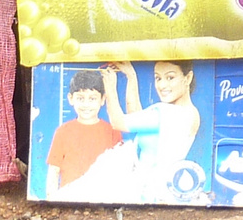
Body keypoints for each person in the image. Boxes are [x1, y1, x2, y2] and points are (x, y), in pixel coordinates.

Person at [101, 60, 202, 201]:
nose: (162, 85)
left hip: (150, 193)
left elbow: (118, 122)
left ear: (188, 78)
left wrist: (109, 87)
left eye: (170, 77)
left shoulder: (169, 113)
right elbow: (136, 116)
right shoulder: (191, 113)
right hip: (159, 192)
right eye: (158, 78)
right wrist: (131, 76)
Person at [45, 69, 122, 197]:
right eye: (80, 98)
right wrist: (51, 200)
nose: (86, 104)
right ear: (70, 99)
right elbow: (54, 170)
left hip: (102, 197)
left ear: (103, 99)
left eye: (92, 99)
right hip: (70, 198)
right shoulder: (62, 132)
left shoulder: (113, 131)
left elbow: (119, 170)